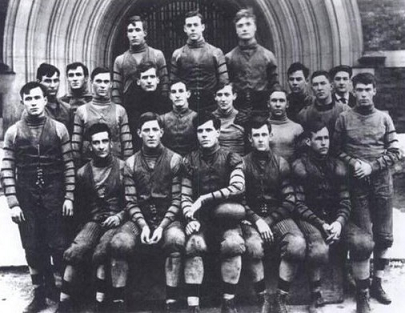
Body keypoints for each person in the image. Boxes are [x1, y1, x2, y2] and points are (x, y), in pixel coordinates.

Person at [1, 82, 75, 313]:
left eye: (37, 98)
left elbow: (69, 166)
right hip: (26, 197)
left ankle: (65, 297)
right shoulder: (13, 132)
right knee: (33, 246)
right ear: (23, 101)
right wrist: (13, 203)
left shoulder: (59, 129)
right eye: (29, 98)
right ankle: (40, 294)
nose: (33, 103)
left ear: (45, 100)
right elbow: (6, 169)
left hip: (55, 195)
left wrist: (69, 196)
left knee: (58, 245)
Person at [333, 73, 402, 312]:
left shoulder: (384, 118)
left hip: (381, 183)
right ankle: (361, 292)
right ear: (352, 90)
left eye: (367, 89)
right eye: (359, 89)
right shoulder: (343, 118)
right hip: (356, 186)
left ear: (375, 90)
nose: (363, 94)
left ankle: (377, 283)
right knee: (364, 240)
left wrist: (372, 166)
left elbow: (395, 152)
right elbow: (336, 150)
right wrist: (355, 163)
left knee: (384, 236)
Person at [292, 121, 374, 313]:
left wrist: (338, 223)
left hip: (334, 219)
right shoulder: (299, 166)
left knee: (363, 242)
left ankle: (363, 295)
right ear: (308, 141)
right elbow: (299, 205)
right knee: (319, 249)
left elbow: (345, 201)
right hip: (310, 220)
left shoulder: (339, 166)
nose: (323, 143)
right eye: (318, 139)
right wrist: (321, 224)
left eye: (326, 138)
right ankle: (316, 294)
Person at [108, 112, 185, 312]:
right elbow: (131, 201)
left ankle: (172, 302)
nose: (151, 134)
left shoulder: (175, 160)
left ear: (161, 132)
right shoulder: (131, 162)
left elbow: (177, 200)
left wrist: (161, 227)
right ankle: (118, 303)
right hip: (138, 219)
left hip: (167, 220)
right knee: (119, 243)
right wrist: (142, 226)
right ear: (139, 132)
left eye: (155, 130)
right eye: (146, 130)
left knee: (176, 239)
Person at [56, 123, 125, 313]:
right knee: (77, 250)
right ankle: (64, 303)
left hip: (116, 221)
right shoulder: (82, 173)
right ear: (90, 147)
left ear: (111, 143)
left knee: (102, 251)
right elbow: (80, 207)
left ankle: (100, 304)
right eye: (97, 143)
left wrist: (120, 216)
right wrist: (83, 229)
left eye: (105, 141)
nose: (101, 146)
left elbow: (133, 202)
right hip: (93, 221)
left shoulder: (124, 167)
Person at [182, 112, 246, 313]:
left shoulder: (231, 157)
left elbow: (238, 186)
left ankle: (229, 303)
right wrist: (189, 217)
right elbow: (184, 196)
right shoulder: (189, 160)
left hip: (226, 218)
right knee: (194, 244)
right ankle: (194, 307)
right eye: (200, 131)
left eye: (209, 130)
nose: (204, 134)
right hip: (200, 220)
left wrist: (205, 198)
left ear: (217, 131)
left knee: (233, 244)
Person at [241, 117, 306, 313]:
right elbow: (240, 200)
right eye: (255, 135)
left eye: (263, 134)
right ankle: (262, 298)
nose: (260, 139)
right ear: (249, 139)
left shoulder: (282, 163)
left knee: (297, 243)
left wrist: (268, 221)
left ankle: (281, 297)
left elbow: (289, 201)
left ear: (270, 136)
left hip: (277, 217)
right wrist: (257, 221)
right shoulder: (242, 164)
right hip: (251, 218)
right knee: (252, 246)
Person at [226, 8, 279, 123]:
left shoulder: (267, 56)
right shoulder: (229, 57)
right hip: (238, 109)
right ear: (236, 30)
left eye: (248, 24)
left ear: (255, 27)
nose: (244, 28)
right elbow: (227, 85)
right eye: (240, 26)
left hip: (262, 110)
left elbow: (274, 84)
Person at [72, 67, 133, 167]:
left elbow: (127, 144)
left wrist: (126, 169)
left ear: (111, 84)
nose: (102, 85)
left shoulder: (120, 110)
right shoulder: (81, 111)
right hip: (89, 166)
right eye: (98, 81)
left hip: (115, 166)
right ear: (92, 82)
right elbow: (75, 145)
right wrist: (79, 170)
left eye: (106, 82)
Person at [170, 10, 229, 112]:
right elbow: (174, 82)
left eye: (195, 25)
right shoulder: (178, 54)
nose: (192, 28)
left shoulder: (216, 52)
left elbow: (224, 81)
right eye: (189, 25)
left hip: (211, 103)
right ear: (185, 29)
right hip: (188, 105)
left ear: (202, 27)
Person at [112, 15, 169, 108]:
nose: (134, 34)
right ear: (127, 34)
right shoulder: (120, 60)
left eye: (137, 30)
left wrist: (163, 107)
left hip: (154, 105)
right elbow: (116, 90)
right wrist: (119, 110)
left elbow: (165, 84)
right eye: (130, 31)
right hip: (130, 107)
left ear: (145, 33)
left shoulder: (157, 55)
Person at [130, 61, 171, 150]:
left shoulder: (167, 103)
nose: (149, 81)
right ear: (138, 81)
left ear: (158, 80)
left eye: (152, 77)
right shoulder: (131, 104)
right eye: (145, 77)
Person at [297, 70, 349, 138]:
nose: (319, 88)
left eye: (323, 83)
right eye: (315, 85)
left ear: (331, 86)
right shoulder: (304, 115)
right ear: (312, 89)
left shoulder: (345, 111)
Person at [160, 81, 197, 156]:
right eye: (174, 92)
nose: (177, 95)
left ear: (188, 94)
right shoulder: (162, 119)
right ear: (170, 96)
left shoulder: (196, 117)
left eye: (181, 91)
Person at [267, 88, 303, 162]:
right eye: (274, 100)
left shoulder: (296, 128)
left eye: (281, 101)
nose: (278, 104)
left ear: (287, 104)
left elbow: (302, 157)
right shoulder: (262, 128)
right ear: (268, 104)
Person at [36, 63, 73, 132]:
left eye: (55, 81)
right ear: (38, 82)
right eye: (48, 81)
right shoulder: (34, 108)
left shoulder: (67, 108)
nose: (52, 85)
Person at [212, 83, 245, 156]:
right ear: (215, 97)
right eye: (219, 95)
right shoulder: (210, 119)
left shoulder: (243, 118)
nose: (223, 99)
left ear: (234, 96)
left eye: (227, 95)